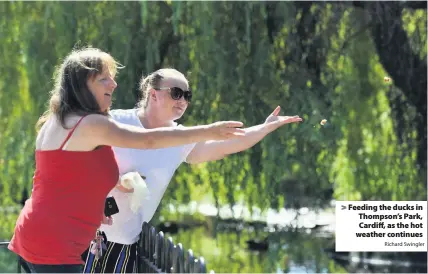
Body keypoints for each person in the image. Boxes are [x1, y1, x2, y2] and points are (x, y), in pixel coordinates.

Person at [7, 48, 246, 273]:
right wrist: (208, 131)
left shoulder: (57, 120)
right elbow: (148, 141)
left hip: (38, 234)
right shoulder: (91, 124)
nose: (114, 83)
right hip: (55, 244)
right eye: (103, 79)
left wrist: (95, 201)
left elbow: (61, 179)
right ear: (81, 84)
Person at [82, 68, 302, 273]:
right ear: (153, 94)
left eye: (187, 96)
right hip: (83, 233)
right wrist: (112, 180)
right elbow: (77, 163)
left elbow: (228, 144)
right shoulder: (115, 121)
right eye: (176, 93)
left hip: (124, 241)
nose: (183, 101)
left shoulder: (181, 139)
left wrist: (265, 127)